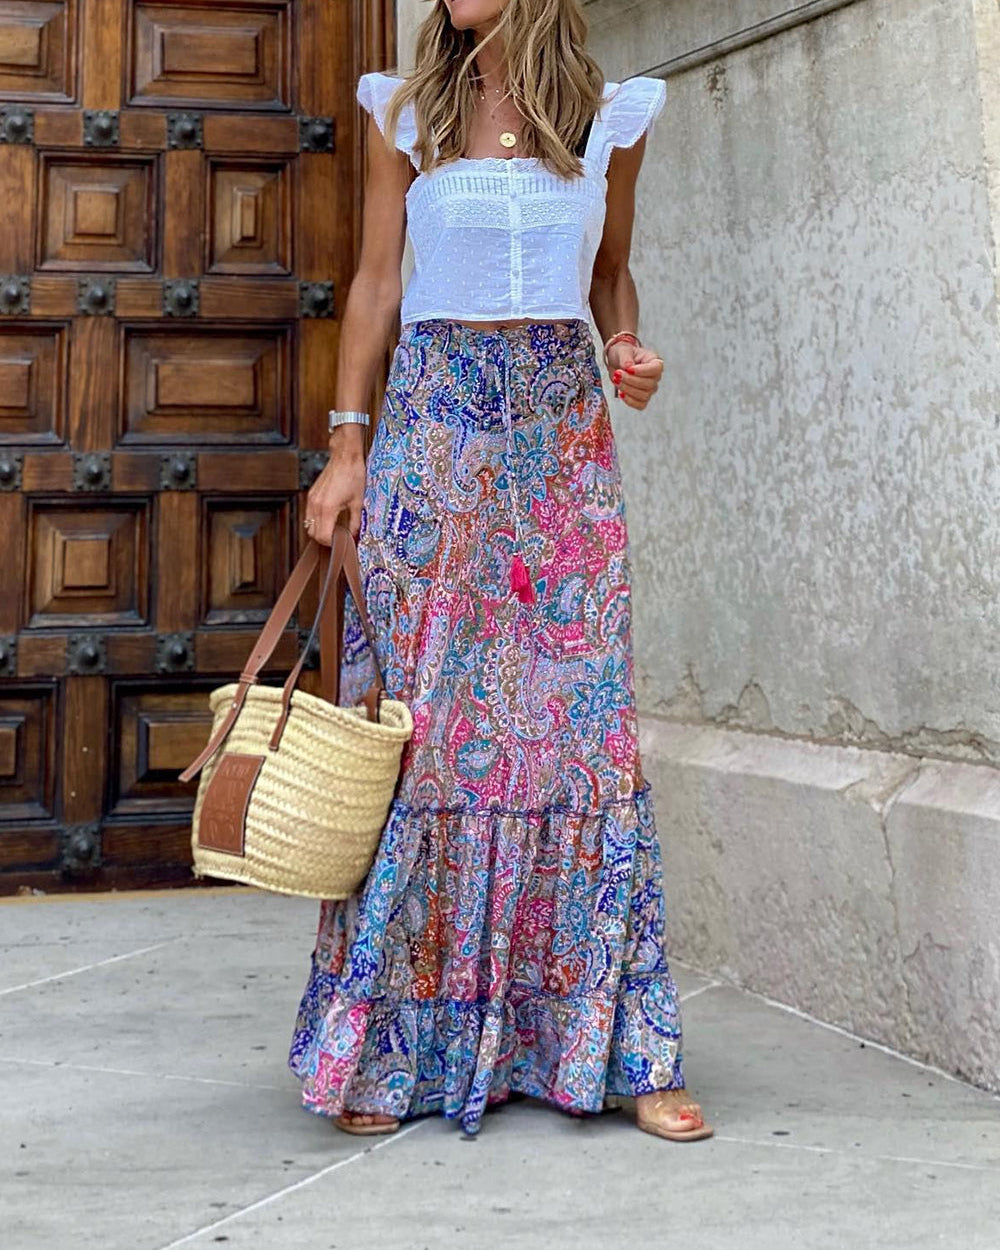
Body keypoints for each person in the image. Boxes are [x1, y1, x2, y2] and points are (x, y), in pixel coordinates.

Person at [287, 0, 713, 1143]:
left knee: (586, 735)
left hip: (562, 449)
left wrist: (627, 345)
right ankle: (392, 1048)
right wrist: (346, 445)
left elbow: (610, 274)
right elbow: (375, 283)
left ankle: (623, 1047)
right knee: (427, 742)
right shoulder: (407, 113)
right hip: (434, 446)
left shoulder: (608, 116)